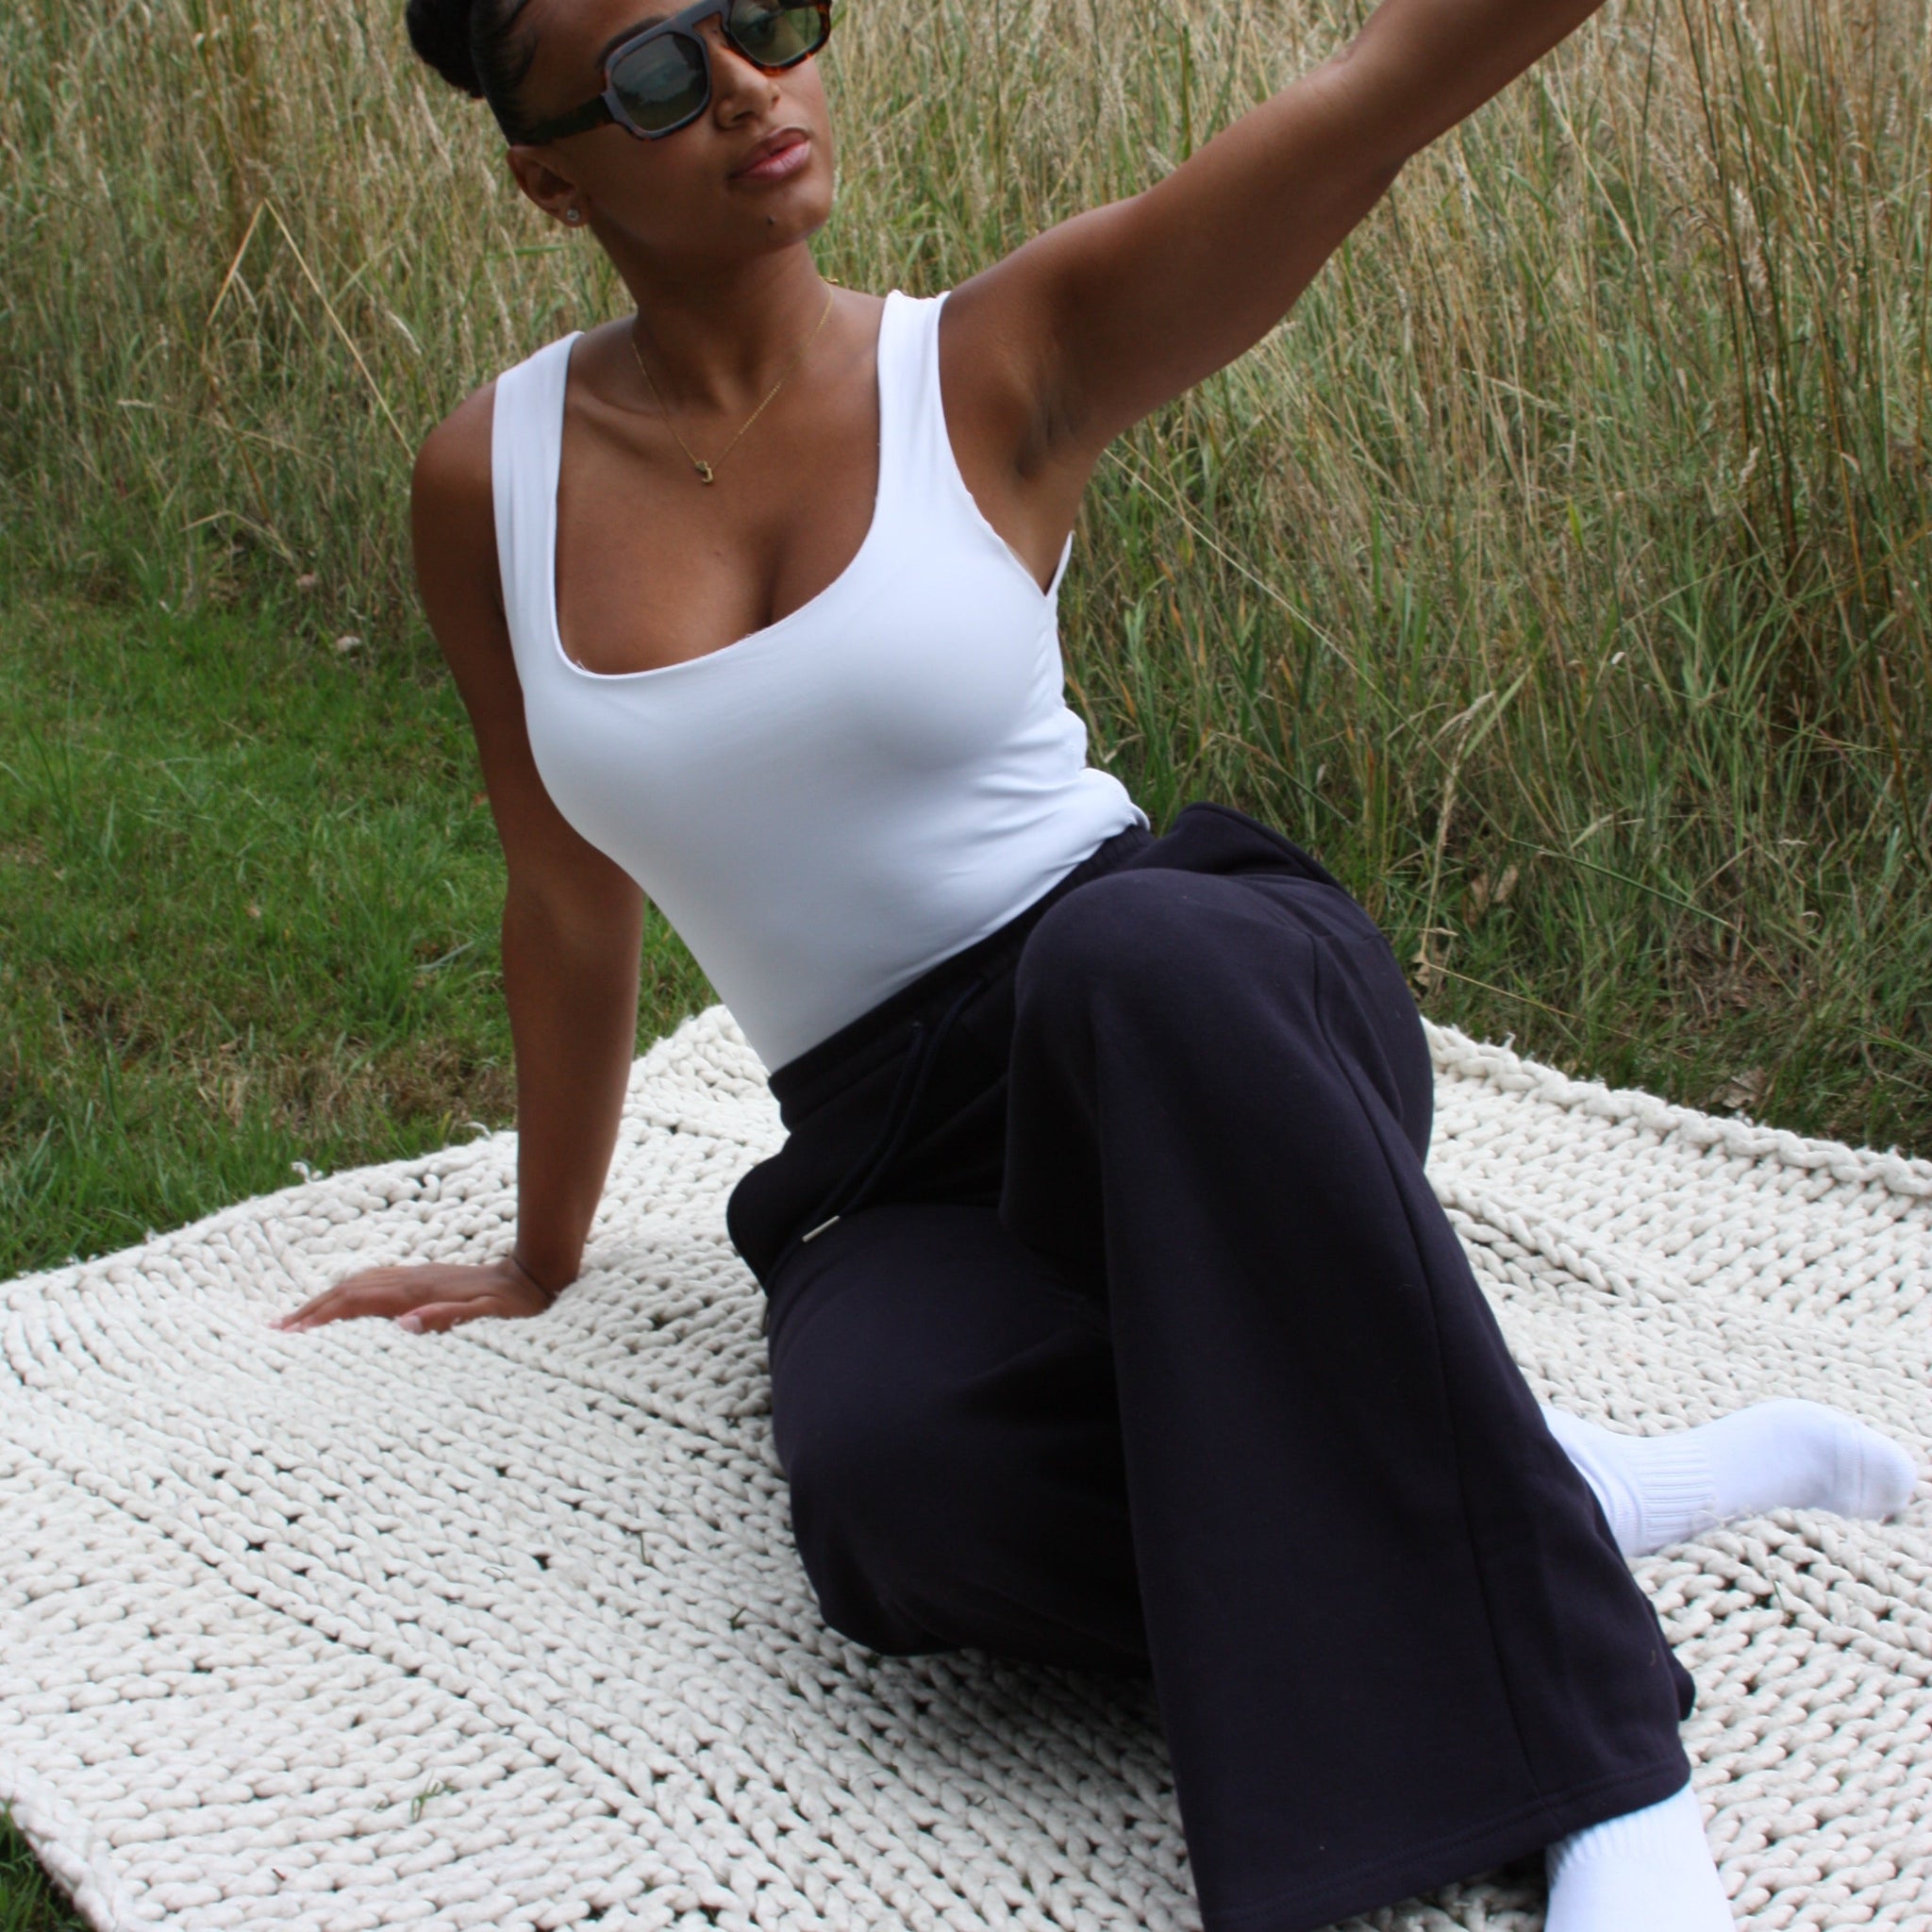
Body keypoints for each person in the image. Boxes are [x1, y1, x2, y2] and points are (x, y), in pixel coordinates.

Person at [271, 0, 1919, 1924]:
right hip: (888, 1158)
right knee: (894, 1492)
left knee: (1126, 964)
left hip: (1195, 1019)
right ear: (547, 177)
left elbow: (1366, 106)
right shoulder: (489, 480)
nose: (741, 84)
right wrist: (542, 1250)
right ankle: (1517, 1487)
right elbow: (565, 893)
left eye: (764, 13)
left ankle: (1609, 1778)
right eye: (650, 73)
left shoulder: (992, 360)